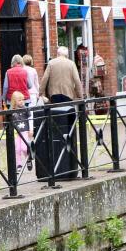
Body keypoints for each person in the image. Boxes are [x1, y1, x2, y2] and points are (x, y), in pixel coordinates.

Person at [38, 46, 83, 180]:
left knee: (56, 121)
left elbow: (44, 79)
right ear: (67, 55)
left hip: (55, 95)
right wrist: (80, 96)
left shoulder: (51, 63)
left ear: (57, 54)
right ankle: (68, 144)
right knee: (69, 122)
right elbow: (77, 80)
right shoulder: (71, 63)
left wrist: (40, 93)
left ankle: (58, 145)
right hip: (68, 95)